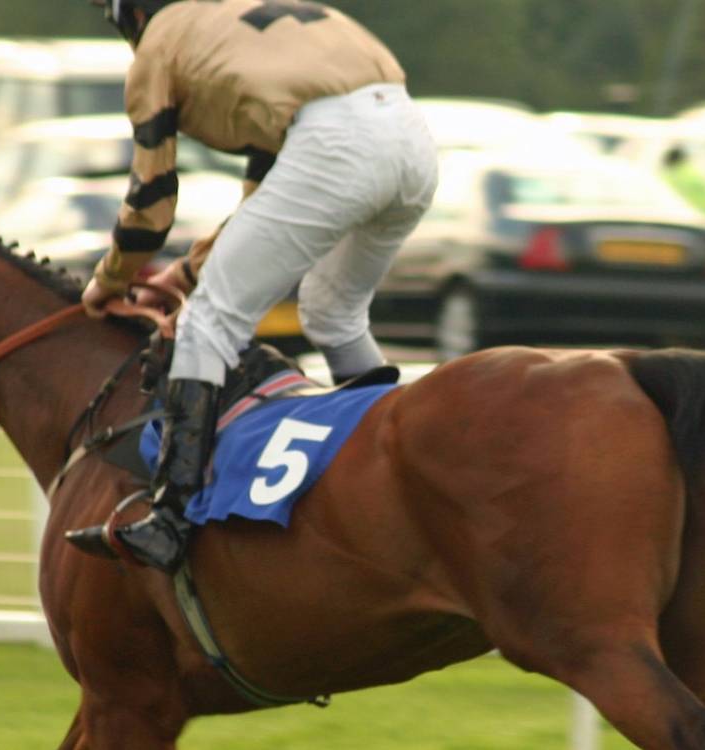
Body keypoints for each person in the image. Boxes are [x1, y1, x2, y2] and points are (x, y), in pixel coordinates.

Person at [66, 0, 438, 572]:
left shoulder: (162, 46)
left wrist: (107, 280)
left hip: (338, 144)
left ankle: (169, 519)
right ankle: (398, 479)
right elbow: (262, 202)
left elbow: (150, 204)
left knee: (207, 322)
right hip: (412, 139)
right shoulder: (240, 30)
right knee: (333, 312)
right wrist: (182, 274)